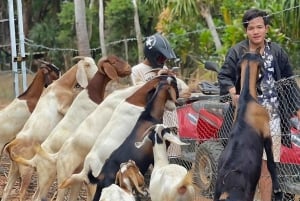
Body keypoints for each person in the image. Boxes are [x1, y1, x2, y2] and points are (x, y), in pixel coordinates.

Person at [217, 8, 300, 201]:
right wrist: (233, 92)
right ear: (246, 31)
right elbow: (224, 76)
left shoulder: (277, 52)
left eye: (259, 27)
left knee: (267, 167)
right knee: (247, 164)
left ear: (267, 28)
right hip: (246, 120)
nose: (256, 31)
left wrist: (297, 109)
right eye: (251, 28)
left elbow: (289, 82)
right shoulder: (238, 52)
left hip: (273, 119)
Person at [131, 32, 189, 159]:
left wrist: (172, 80)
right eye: (161, 58)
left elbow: (182, 88)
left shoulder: (164, 68)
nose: (163, 62)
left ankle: (174, 161)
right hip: (151, 120)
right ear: (152, 55)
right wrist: (159, 78)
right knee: (156, 156)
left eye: (164, 59)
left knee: (173, 155)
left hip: (169, 118)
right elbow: (139, 92)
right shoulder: (137, 71)